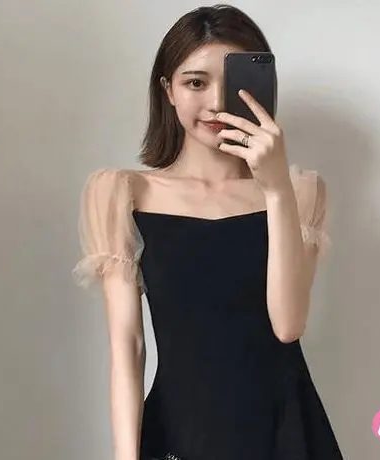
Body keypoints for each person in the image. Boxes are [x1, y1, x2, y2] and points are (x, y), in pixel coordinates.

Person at [73, 4, 343, 460]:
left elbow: (287, 326)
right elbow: (128, 345)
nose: (216, 101)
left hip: (285, 433)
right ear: (168, 91)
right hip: (182, 430)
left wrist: (276, 186)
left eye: (231, 81)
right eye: (196, 82)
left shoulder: (300, 192)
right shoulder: (123, 193)